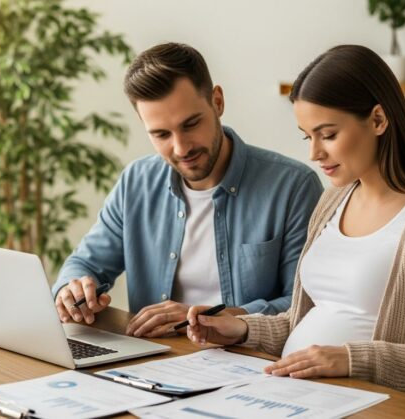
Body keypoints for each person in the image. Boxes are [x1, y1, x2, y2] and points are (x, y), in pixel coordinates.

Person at [185, 45, 405, 414]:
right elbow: (306, 320)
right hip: (299, 401)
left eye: (328, 134)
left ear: (378, 119)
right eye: (307, 137)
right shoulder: (334, 199)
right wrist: (242, 329)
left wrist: (352, 360)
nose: (314, 153)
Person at [51, 42, 323, 338]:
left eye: (191, 124)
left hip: (248, 358)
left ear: (217, 102)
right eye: (161, 134)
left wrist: (213, 318)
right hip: (153, 355)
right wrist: (71, 290)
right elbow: (85, 263)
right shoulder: (136, 182)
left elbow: (303, 305)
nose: (181, 148)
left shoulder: (293, 187)